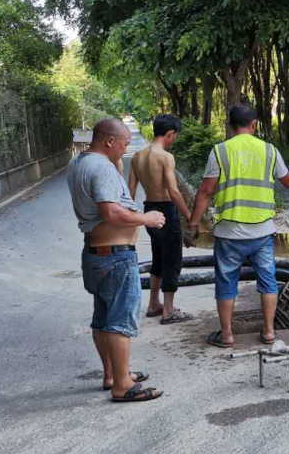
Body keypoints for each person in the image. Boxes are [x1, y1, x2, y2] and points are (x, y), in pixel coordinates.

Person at [187, 104, 289, 348]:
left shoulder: (220, 151)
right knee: (268, 281)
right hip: (262, 232)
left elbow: (206, 191)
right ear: (254, 125)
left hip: (229, 233)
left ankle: (228, 335)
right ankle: (269, 332)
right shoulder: (269, 151)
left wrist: (194, 223)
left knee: (226, 282)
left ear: (230, 126)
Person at [67, 117, 164, 403]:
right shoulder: (102, 167)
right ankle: (122, 385)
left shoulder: (80, 163)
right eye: (123, 144)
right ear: (109, 141)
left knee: (103, 317)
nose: (125, 149)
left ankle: (112, 373)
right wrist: (146, 218)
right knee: (120, 320)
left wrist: (117, 165)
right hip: (116, 255)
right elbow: (112, 212)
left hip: (96, 255)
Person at [129, 114, 193, 324]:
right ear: (170, 134)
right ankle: (168, 311)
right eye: (174, 136)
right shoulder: (165, 157)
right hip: (166, 209)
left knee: (158, 258)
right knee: (173, 260)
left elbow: (129, 194)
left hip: (149, 210)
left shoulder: (138, 157)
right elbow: (174, 192)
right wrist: (190, 217)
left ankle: (153, 304)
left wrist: (135, 219)